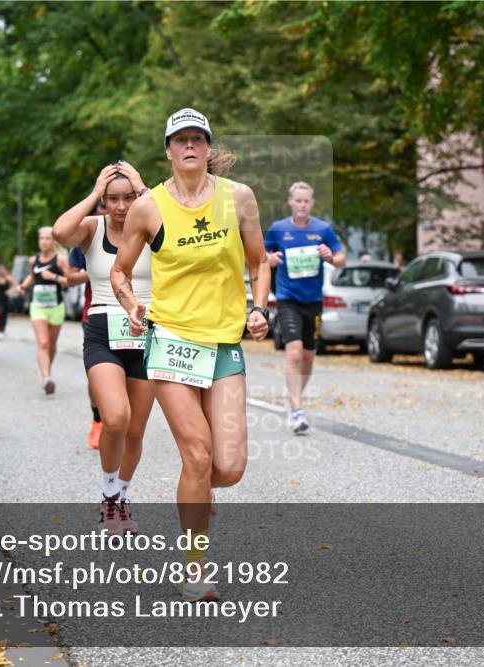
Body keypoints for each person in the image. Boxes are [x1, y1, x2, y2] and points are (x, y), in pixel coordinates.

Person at [111, 109, 270, 602]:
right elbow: (119, 272)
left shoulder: (238, 198)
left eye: (197, 138)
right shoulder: (148, 208)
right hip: (172, 343)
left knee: (230, 467)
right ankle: (195, 568)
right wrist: (132, 305)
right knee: (198, 454)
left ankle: (197, 488)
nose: (189, 146)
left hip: (223, 343)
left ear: (207, 147)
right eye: (179, 139)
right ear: (168, 150)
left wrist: (259, 308)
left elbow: (260, 262)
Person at [54, 161, 153, 534]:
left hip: (147, 333)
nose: (122, 206)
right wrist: (95, 192)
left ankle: (120, 499)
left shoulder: (151, 226)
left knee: (135, 431)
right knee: (115, 418)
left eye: (128, 198)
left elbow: (177, 229)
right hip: (102, 332)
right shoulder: (92, 228)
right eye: (113, 199)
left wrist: (144, 191)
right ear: (104, 201)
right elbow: (61, 231)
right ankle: (109, 496)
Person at [264, 181, 346, 433]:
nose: (302, 205)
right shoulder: (278, 229)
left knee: (309, 357)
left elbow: (342, 260)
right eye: (298, 201)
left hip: (313, 301)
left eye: (306, 201)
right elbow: (258, 256)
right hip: (287, 299)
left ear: (312, 203)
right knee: (294, 353)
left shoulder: (323, 229)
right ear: (290, 202)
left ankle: (295, 397)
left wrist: (330, 257)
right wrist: (269, 259)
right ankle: (297, 409)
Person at [17, 227, 77, 394]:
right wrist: (23, 286)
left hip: (56, 307)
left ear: (54, 242)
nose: (44, 242)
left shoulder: (60, 260)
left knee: (51, 344)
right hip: (38, 307)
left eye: (48, 238)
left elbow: (71, 280)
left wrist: (53, 277)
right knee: (43, 342)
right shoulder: (33, 260)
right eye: (41, 238)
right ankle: (46, 378)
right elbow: (32, 276)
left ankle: (46, 370)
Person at [70, 235, 104, 450]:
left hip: (135, 316)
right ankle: (98, 418)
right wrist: (99, 271)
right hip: (94, 315)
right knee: (96, 374)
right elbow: (70, 277)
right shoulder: (89, 236)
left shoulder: (142, 231)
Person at [0, 264, 17, 339]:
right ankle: (0, 330)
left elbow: (15, 286)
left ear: (5, 270)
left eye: (3, 269)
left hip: (5, 299)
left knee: (4, 315)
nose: (1, 271)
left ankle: (3, 330)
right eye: (0, 269)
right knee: (0, 313)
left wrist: (10, 291)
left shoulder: (8, 278)